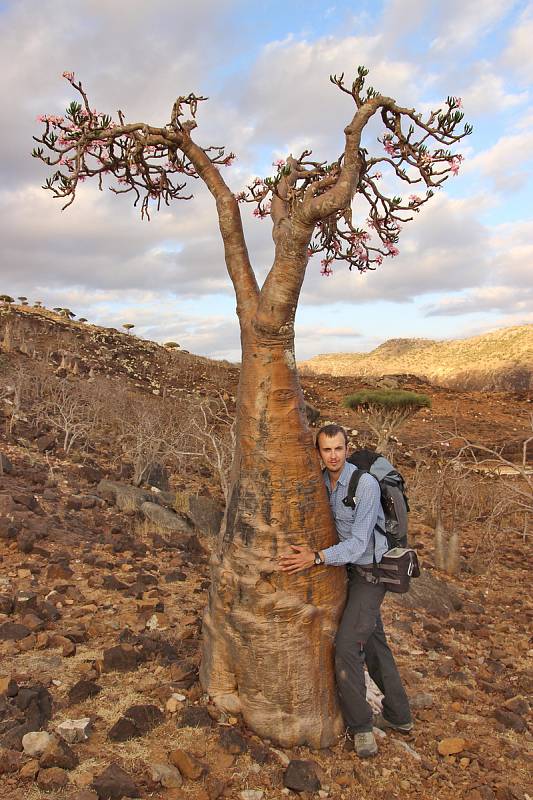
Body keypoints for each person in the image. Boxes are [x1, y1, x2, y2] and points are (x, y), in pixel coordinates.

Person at [279, 423, 412, 758]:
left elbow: (356, 545)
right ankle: (400, 715)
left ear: (346, 448)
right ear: (319, 453)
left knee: (348, 648)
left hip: (372, 576)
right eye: (326, 450)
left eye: (338, 448)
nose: (333, 455)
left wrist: (317, 557)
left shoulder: (363, 484)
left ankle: (361, 727)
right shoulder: (324, 482)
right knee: (376, 643)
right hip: (350, 575)